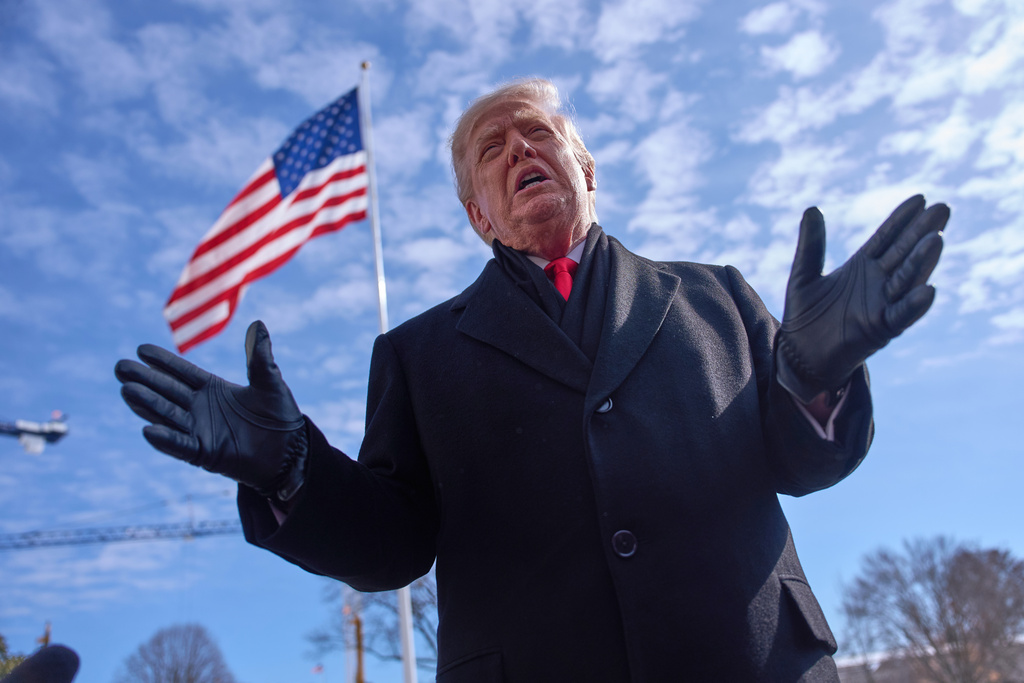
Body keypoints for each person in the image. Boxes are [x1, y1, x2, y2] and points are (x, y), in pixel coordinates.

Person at [115, 78, 949, 681]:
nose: (519, 148)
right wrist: (292, 469)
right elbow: (391, 546)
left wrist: (814, 378)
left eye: (537, 132)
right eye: (493, 148)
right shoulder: (415, 354)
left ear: (585, 167)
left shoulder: (716, 295)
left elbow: (802, 462)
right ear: (478, 214)